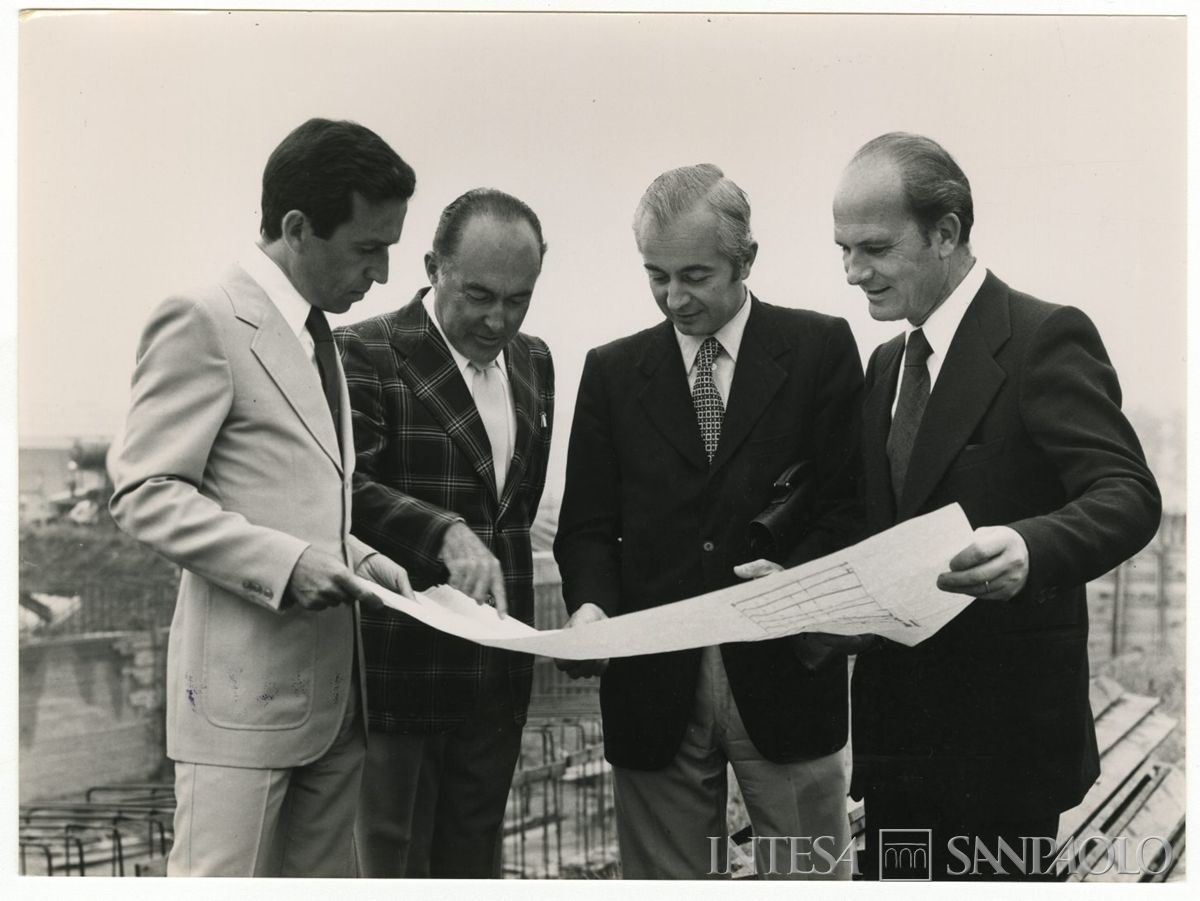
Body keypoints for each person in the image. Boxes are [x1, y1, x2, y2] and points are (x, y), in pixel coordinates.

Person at [829, 132, 1162, 880]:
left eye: (874, 248)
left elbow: (1128, 492)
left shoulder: (1044, 338)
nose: (854, 272)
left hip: (1002, 749)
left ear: (945, 232)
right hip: (895, 744)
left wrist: (1031, 545)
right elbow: (880, 523)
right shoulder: (886, 364)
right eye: (843, 249)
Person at [108, 118, 417, 877]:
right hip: (240, 712)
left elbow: (304, 496)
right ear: (297, 228)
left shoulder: (318, 335)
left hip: (336, 704)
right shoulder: (204, 318)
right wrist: (286, 566)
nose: (379, 274)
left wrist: (362, 558)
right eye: (367, 247)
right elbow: (144, 490)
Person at [553, 164, 863, 879]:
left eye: (694, 275)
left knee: (808, 878)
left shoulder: (819, 350)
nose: (673, 297)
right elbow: (588, 525)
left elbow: (848, 506)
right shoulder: (610, 370)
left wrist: (795, 578)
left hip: (786, 669)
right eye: (655, 275)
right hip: (654, 686)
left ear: (746, 259)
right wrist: (591, 605)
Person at [336, 188, 554, 878]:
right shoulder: (362, 352)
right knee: (393, 870)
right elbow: (346, 489)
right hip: (402, 673)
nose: (498, 319)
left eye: (518, 299)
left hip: (496, 679)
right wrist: (445, 532)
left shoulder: (536, 360)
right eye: (479, 295)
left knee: (474, 869)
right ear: (432, 266)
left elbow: (514, 507)